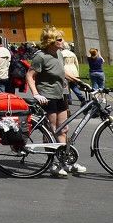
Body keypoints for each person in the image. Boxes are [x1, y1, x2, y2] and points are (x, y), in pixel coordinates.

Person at [25, 26, 86, 178]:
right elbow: (30, 75)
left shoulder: (58, 53)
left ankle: (66, 161)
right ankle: (53, 163)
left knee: (64, 129)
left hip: (61, 94)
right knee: (53, 129)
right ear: (51, 41)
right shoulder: (41, 56)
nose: (62, 41)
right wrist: (36, 94)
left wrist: (77, 81)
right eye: (59, 39)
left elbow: (61, 71)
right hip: (47, 96)